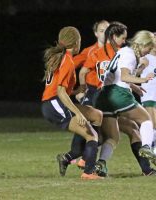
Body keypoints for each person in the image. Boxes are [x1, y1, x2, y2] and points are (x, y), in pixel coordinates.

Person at [80, 23, 156, 176]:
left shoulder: (124, 52)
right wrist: (143, 79)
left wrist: (136, 79)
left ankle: (101, 164)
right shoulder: (129, 54)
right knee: (146, 119)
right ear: (144, 44)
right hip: (118, 94)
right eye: (149, 49)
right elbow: (123, 76)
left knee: (113, 137)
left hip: (104, 96)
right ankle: (147, 148)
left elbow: (118, 75)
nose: (148, 52)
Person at [41, 26, 104, 180]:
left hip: (55, 102)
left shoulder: (63, 57)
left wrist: (77, 91)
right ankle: (88, 171)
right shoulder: (67, 61)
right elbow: (60, 92)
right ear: (76, 43)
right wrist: (77, 113)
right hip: (54, 105)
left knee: (97, 115)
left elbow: (61, 89)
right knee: (92, 136)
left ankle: (76, 156)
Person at [56, 20, 109, 175]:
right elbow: (72, 65)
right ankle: (87, 163)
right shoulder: (89, 51)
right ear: (95, 33)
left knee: (104, 133)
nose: (105, 33)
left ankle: (74, 158)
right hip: (92, 93)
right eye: (101, 30)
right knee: (90, 133)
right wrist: (79, 90)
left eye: (108, 30)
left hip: (107, 94)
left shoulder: (117, 51)